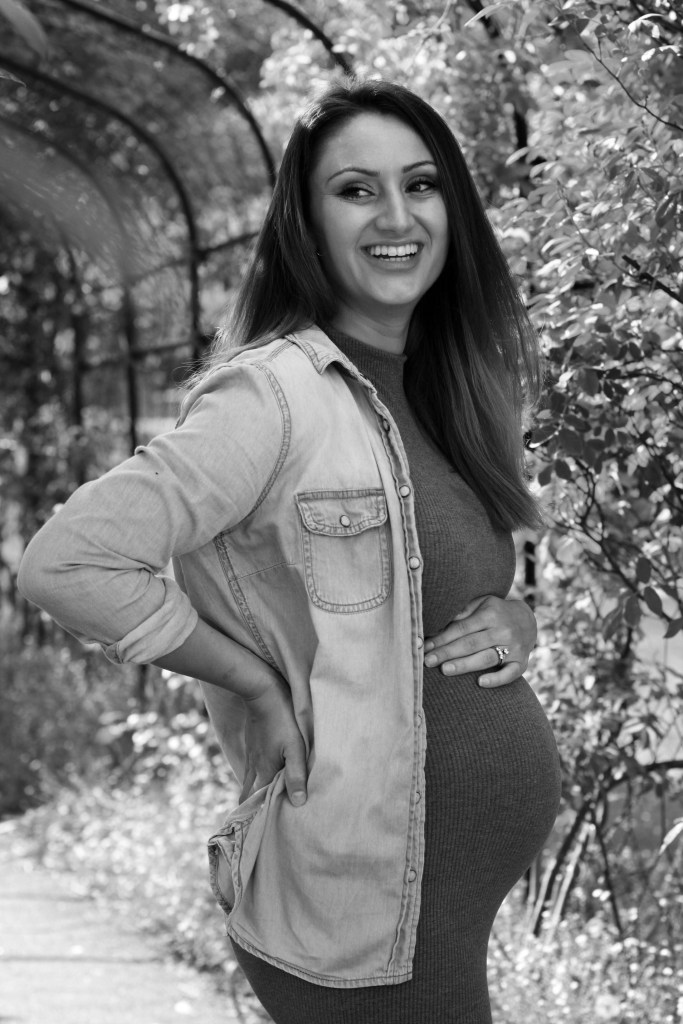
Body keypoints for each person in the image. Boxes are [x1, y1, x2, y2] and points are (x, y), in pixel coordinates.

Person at [18, 78, 561, 1023]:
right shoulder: (270, 398)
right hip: (359, 920)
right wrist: (252, 681)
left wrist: (515, 620)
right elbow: (67, 562)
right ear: (305, 222)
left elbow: (439, 583)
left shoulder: (442, 386)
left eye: (420, 184)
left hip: (434, 916)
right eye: (355, 190)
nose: (396, 217)